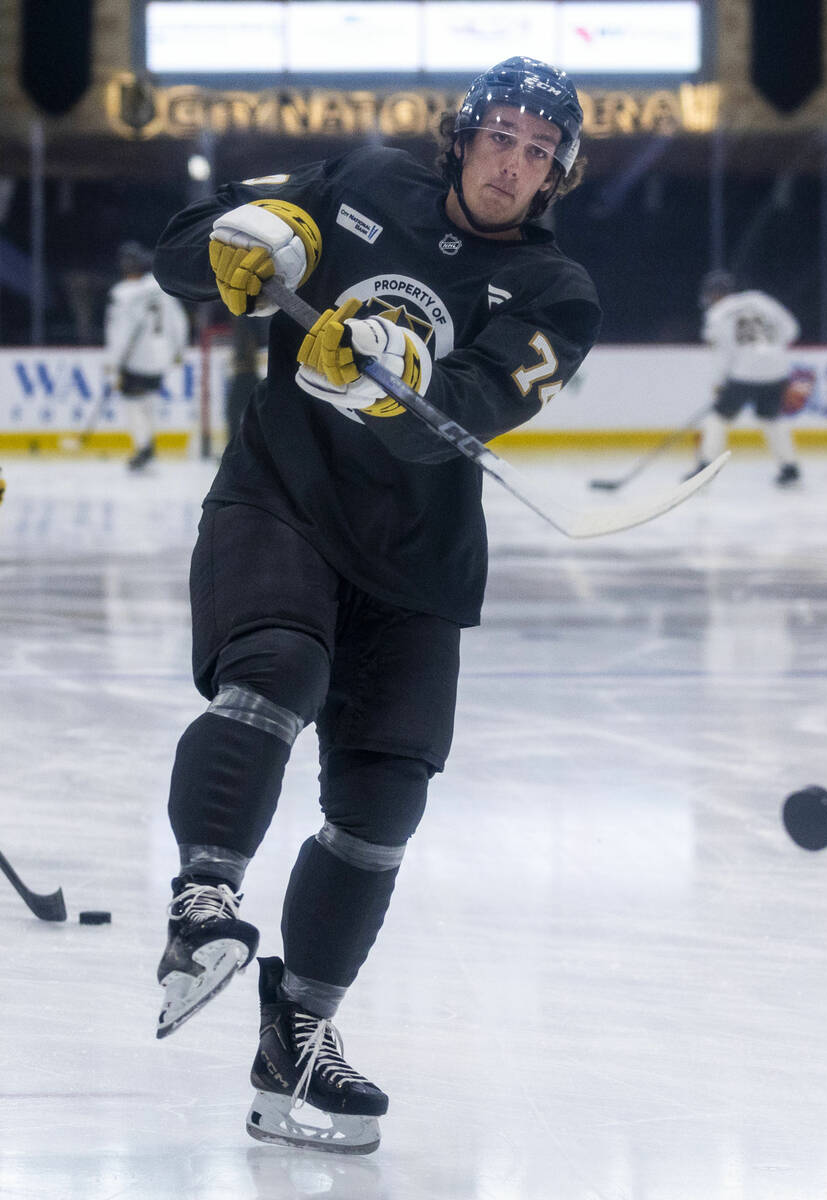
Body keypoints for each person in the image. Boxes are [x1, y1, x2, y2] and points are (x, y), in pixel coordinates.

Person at [150, 56, 600, 1154]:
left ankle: (296, 1033)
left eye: (538, 155)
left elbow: (472, 406)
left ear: (554, 179)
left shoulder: (555, 294)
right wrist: (230, 248)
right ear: (463, 137)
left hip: (417, 563)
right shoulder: (355, 179)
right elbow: (186, 251)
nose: (513, 166)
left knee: (382, 806)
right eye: (501, 138)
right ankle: (201, 904)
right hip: (282, 503)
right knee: (276, 671)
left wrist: (396, 377)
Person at [683, 270, 802, 486]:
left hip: (744, 372)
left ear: (714, 293)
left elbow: (722, 354)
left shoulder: (717, 314)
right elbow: (792, 330)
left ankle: (705, 468)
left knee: (718, 418)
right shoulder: (759, 299)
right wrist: (771, 350)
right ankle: (790, 468)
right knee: (771, 418)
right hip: (777, 368)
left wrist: (719, 383)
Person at [102, 241, 190, 470]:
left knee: (132, 404)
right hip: (160, 357)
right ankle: (148, 442)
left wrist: (113, 363)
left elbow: (118, 333)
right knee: (148, 402)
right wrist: (178, 351)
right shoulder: (161, 288)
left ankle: (143, 446)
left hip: (135, 359)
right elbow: (178, 322)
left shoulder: (121, 294)